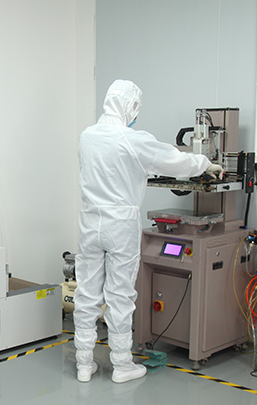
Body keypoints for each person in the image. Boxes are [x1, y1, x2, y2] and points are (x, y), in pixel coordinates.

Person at [74, 79, 224, 383]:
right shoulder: (132, 139)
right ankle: (122, 364)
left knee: (86, 293)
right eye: (136, 107)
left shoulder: (87, 136)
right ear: (129, 106)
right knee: (120, 295)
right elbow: (173, 160)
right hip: (120, 225)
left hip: (90, 222)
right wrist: (204, 163)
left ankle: (83, 363)